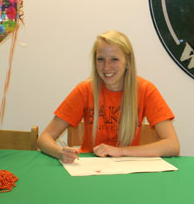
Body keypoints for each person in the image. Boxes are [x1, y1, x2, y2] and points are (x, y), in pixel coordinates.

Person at [38, 30, 180, 163]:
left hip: (128, 166)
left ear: (128, 61)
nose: (106, 67)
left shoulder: (146, 90)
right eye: (100, 59)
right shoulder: (85, 90)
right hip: (91, 169)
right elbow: (44, 138)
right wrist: (59, 152)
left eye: (114, 59)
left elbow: (172, 145)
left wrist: (120, 151)